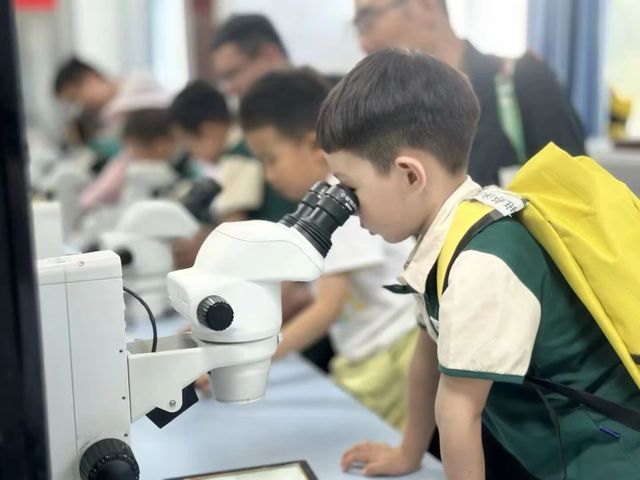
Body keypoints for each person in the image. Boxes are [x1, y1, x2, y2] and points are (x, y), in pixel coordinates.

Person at [316, 48, 640, 479]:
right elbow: (427, 355)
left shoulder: (480, 262)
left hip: (606, 456)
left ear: (411, 174)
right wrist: (409, 452)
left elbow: (457, 414)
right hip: (559, 451)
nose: (349, 210)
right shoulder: (449, 234)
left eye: (350, 189)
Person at [239, 68, 419, 429]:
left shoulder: (340, 201)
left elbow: (326, 309)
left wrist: (249, 362)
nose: (268, 176)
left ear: (312, 146)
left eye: (271, 159)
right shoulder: (321, 198)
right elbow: (289, 284)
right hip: (370, 349)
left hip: (393, 351)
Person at [352, 0, 585, 186]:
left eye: (368, 19)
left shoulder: (522, 83)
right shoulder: (394, 119)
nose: (363, 43)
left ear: (426, 6)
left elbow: (578, 202)